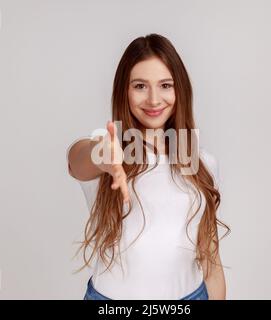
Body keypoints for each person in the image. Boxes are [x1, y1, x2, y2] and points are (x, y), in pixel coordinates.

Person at [67, 33, 230, 300]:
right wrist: (104, 155)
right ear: (124, 91)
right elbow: (76, 161)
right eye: (140, 86)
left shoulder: (204, 164)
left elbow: (211, 260)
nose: (154, 100)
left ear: (180, 90)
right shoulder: (108, 156)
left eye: (165, 85)